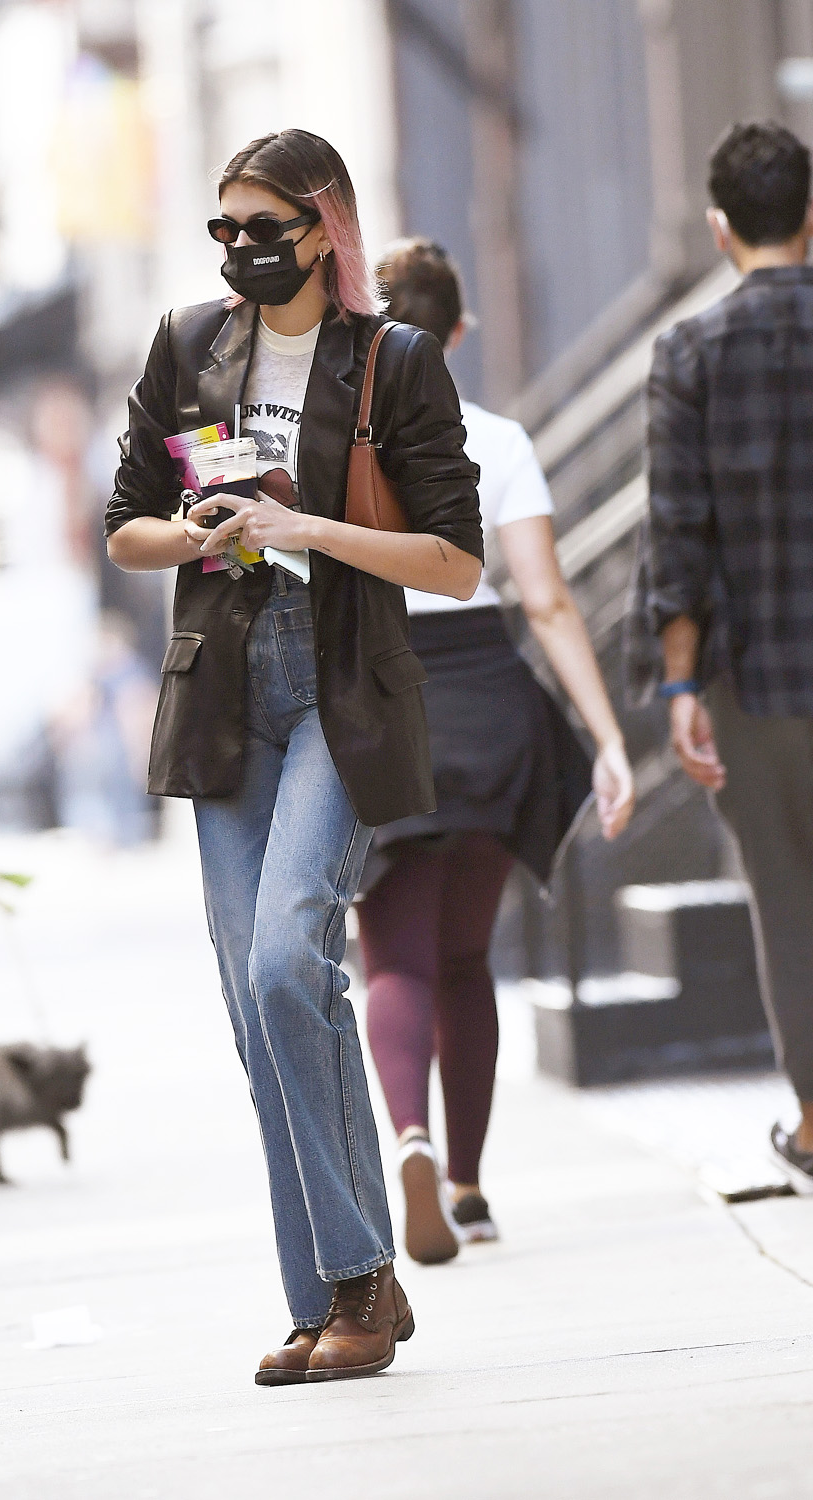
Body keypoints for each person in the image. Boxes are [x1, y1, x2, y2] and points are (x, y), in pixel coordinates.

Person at [105, 130, 484, 1382]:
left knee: (285, 963)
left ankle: (364, 1280)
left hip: (340, 685)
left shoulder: (393, 362)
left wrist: (301, 522)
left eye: (263, 229)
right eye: (223, 231)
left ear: (325, 229)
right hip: (223, 692)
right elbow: (123, 531)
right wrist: (202, 533)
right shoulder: (185, 346)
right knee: (252, 1004)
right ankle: (324, 1294)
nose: (241, 253)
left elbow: (456, 560)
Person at [357, 241, 635, 1264]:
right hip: (492, 702)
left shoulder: (342, 445)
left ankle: (413, 1141)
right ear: (458, 334)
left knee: (392, 956)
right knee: (468, 955)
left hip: (388, 701)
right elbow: (547, 600)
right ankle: (469, 1189)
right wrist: (604, 738)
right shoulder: (496, 438)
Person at [644, 121, 813, 1196]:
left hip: (752, 681)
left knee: (784, 897)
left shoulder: (688, 352)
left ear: (717, 229)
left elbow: (677, 532)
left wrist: (676, 685)